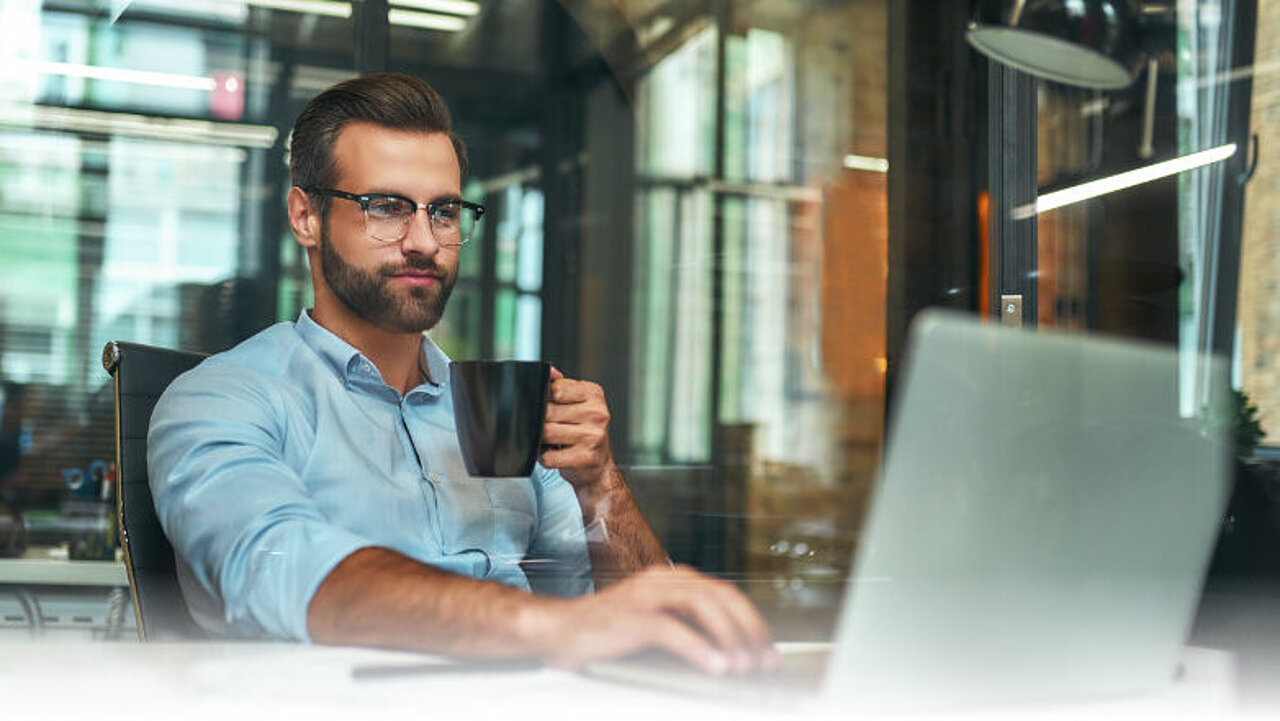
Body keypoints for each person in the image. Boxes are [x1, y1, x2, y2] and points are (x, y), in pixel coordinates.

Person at [149, 72, 777, 675]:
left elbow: (645, 621)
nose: (424, 240)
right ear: (306, 216)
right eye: (387, 207)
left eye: (444, 212)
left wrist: (599, 484)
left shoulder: (496, 411)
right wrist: (552, 627)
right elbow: (277, 569)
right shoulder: (222, 399)